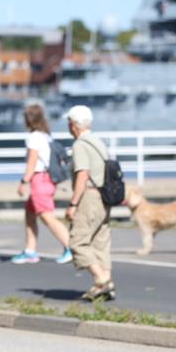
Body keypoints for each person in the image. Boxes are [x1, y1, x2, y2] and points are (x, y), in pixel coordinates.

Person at [65, 104, 115, 300]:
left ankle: (101, 279)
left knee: (77, 241)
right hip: (105, 196)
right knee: (100, 242)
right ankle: (106, 285)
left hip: (89, 197)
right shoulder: (98, 142)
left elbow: (83, 174)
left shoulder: (80, 145)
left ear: (73, 124)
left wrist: (73, 204)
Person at [13, 104, 72, 265]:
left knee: (47, 216)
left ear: (28, 119)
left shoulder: (34, 137)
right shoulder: (46, 136)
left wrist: (23, 182)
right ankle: (30, 250)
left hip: (40, 179)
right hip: (48, 179)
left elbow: (32, 163)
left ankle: (71, 247)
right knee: (30, 213)